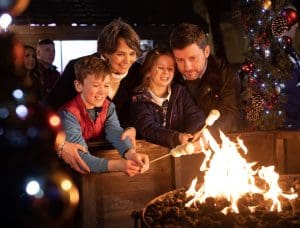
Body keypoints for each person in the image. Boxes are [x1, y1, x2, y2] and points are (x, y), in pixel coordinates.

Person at [48, 18, 142, 173]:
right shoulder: (78, 68)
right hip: (73, 152)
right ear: (105, 52)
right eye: (120, 54)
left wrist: (131, 136)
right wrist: (60, 144)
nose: (127, 61)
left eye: (132, 54)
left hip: (111, 150)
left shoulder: (138, 72)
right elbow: (48, 109)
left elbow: (134, 114)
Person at [59, 56, 149, 175]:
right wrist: (118, 165)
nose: (102, 92)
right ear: (78, 86)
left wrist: (132, 154)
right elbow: (81, 158)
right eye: (96, 85)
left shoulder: (109, 107)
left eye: (106, 85)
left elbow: (115, 132)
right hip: (66, 173)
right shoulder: (68, 114)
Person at [169, 23, 241, 139]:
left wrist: (209, 135)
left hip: (216, 142)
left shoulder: (225, 73)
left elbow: (230, 111)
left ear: (206, 51)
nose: (187, 67)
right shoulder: (168, 73)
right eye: (180, 60)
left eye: (193, 58)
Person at [131, 46, 205, 148]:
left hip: (181, 152)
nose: (166, 72)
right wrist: (177, 137)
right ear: (148, 72)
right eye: (161, 68)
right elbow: (148, 128)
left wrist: (188, 136)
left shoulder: (180, 92)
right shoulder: (138, 99)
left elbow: (196, 116)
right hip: (150, 154)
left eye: (170, 69)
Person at [277, 6, 300, 129]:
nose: (296, 27)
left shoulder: (291, 50)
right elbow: (288, 82)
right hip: (290, 119)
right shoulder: (280, 52)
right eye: (294, 23)